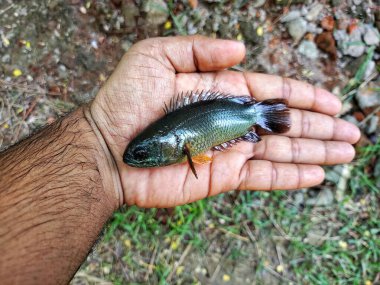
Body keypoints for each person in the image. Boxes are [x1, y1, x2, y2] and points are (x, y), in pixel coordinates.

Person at [0, 36, 360, 284]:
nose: (136, 158)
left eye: (142, 153)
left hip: (238, 116)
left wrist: (95, 143)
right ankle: (258, 116)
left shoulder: (177, 143)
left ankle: (259, 116)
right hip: (223, 121)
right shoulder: (169, 144)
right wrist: (99, 144)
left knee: (258, 120)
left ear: (164, 146)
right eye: (140, 154)